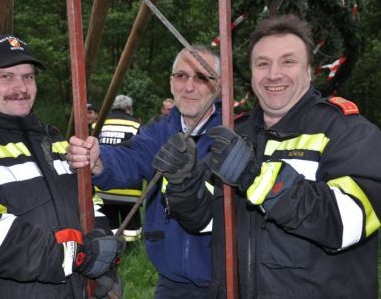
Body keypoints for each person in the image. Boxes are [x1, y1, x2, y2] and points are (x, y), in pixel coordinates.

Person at [153, 15, 381, 298]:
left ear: (309, 69)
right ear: (251, 73)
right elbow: (206, 221)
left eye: (288, 61)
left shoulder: (347, 130)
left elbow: (351, 221)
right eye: (262, 64)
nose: (274, 74)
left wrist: (257, 177)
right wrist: (183, 182)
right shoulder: (239, 132)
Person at [0, 34, 125, 299]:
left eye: (28, 77)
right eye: (6, 76)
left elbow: (90, 207)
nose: (21, 87)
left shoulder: (56, 142)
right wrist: (81, 255)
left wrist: (105, 264)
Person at [68, 45, 222, 298]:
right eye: (181, 76)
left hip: (226, 280)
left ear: (219, 85)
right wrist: (99, 160)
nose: (189, 87)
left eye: (202, 77)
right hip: (171, 282)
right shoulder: (159, 131)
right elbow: (131, 156)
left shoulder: (236, 133)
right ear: (171, 83)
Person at [93, 94, 143, 241]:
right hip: (130, 187)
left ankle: (112, 249)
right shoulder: (136, 125)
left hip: (103, 187)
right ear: (128, 109)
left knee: (109, 222)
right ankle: (132, 249)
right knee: (131, 224)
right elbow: (140, 155)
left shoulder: (97, 124)